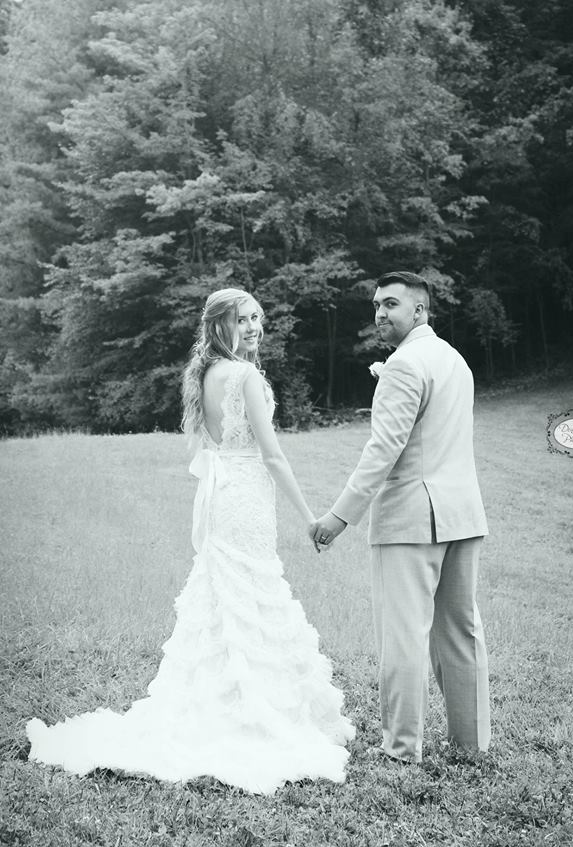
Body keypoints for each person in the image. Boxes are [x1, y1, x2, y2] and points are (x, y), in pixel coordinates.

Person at [27, 288, 354, 793]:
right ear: (219, 326)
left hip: (227, 495)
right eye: (241, 320)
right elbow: (272, 455)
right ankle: (252, 710)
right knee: (250, 590)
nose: (253, 327)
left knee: (228, 591)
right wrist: (311, 517)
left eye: (256, 318)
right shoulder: (244, 376)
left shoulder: (205, 373)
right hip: (244, 495)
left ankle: (223, 699)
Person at [310, 271, 490, 763]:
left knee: (404, 635)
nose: (379, 313)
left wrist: (339, 516)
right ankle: (471, 743)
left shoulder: (404, 364)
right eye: (376, 305)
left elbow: (383, 450)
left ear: (419, 310)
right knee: (461, 631)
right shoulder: (453, 359)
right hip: (463, 514)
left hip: (412, 519)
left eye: (390, 304)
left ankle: (402, 747)